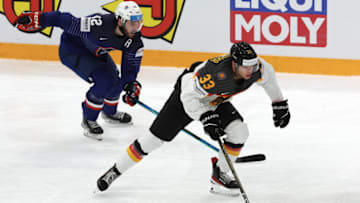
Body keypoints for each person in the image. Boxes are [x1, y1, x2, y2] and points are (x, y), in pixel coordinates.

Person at [96, 41, 291, 196]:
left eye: (252, 64)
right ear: (234, 63)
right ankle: (115, 170)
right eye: (245, 66)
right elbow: (189, 97)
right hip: (185, 98)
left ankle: (220, 174)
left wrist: (278, 103)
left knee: (240, 132)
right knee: (151, 141)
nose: (250, 70)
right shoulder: (214, 74)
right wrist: (206, 117)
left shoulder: (258, 68)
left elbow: (269, 78)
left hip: (216, 99)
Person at [15, 1, 144, 141]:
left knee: (116, 80)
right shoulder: (98, 25)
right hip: (73, 50)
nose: (136, 27)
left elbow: (130, 69)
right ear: (120, 21)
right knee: (104, 82)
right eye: (132, 23)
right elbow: (64, 19)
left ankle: (109, 112)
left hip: (96, 52)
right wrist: (39, 19)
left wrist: (131, 85)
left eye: (138, 23)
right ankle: (89, 120)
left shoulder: (134, 40)